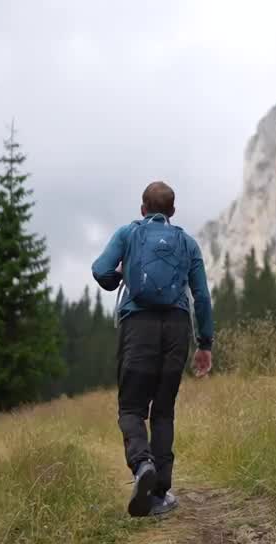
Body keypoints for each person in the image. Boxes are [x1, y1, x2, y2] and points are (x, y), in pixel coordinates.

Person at [92, 181, 215, 518]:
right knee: (163, 411)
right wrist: (205, 344)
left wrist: (118, 277)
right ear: (172, 212)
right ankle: (160, 494)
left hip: (138, 328)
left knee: (131, 408)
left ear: (142, 208)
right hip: (176, 329)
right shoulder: (187, 243)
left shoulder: (128, 234)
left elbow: (100, 270)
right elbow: (202, 297)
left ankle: (142, 463)